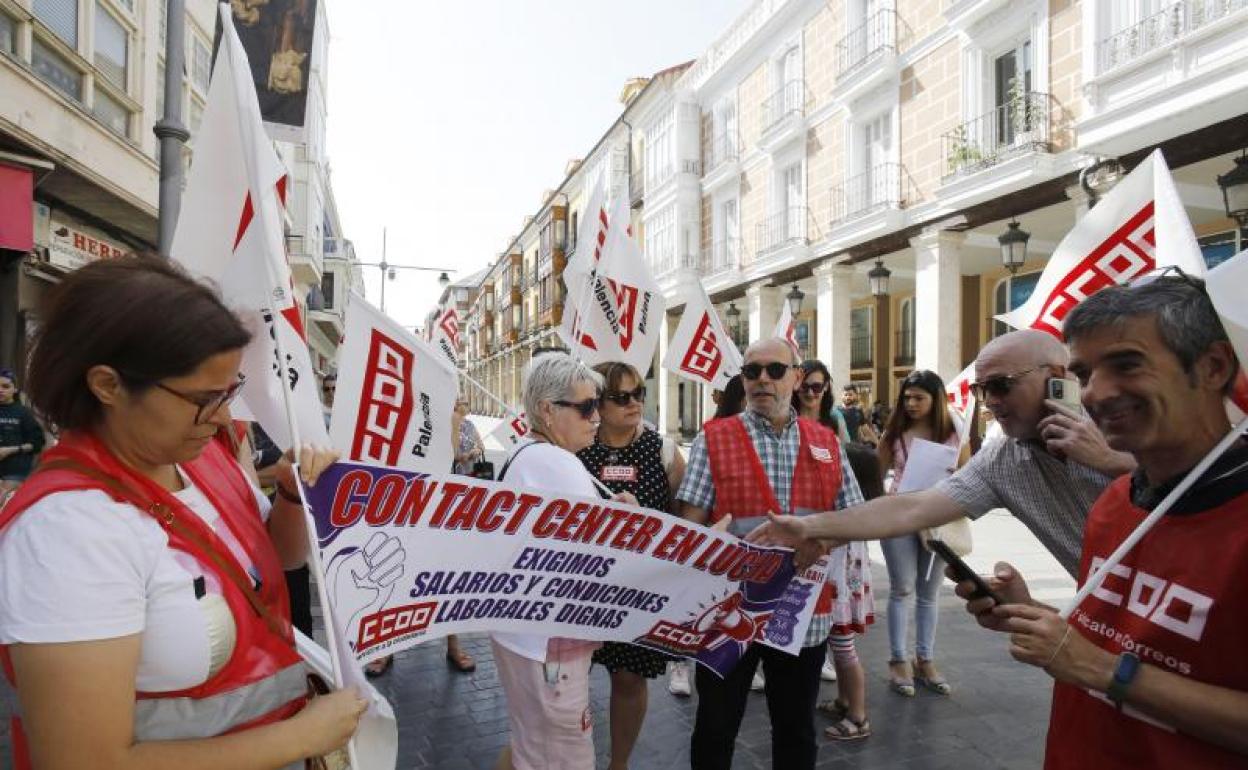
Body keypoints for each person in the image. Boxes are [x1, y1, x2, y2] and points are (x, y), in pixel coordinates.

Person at [0, 256, 363, 769]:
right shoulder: (67, 532)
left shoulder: (200, 455)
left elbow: (265, 563)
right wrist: (301, 738)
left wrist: (288, 496)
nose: (221, 417)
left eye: (228, 391)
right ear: (108, 385)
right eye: (202, 398)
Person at [952, 275, 1248, 768]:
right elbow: (1111, 646)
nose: (1096, 393)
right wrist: (1040, 619)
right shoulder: (1114, 504)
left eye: (1127, 365)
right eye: (1084, 373)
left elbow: (1101, 664)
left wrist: (1101, 667)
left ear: (1213, 366)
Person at [751, 328, 1136, 579]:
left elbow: (1194, 472)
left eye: (1002, 385)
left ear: (1057, 375)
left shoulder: (1125, 421)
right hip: (1109, 621)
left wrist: (1114, 461)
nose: (992, 402)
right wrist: (811, 526)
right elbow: (910, 508)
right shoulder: (1003, 460)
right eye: (983, 390)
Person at [677, 337, 871, 767]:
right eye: (752, 371)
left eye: (775, 370)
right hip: (730, 609)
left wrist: (818, 541)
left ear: (798, 378)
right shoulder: (714, 439)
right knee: (715, 725)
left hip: (803, 612)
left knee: (796, 728)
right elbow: (690, 523)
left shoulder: (827, 442)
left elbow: (856, 517)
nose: (762, 379)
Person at [491, 352, 635, 770]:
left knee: (529, 746)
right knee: (565, 757)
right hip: (548, 641)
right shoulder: (555, 462)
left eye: (598, 404)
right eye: (587, 406)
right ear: (547, 411)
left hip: (523, 633)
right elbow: (602, 554)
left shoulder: (526, 455)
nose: (597, 417)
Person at [575, 361, 685, 769]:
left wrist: (648, 525)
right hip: (581, 590)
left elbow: (684, 522)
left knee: (629, 677)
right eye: (621, 397)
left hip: (637, 589)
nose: (634, 403)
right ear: (597, 404)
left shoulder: (663, 450)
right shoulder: (574, 449)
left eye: (639, 393)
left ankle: (617, 764)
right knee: (568, 681)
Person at [876, 369, 970, 697]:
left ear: (936, 399)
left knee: (929, 592)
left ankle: (925, 660)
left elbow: (967, 474)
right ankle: (898, 660)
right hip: (900, 515)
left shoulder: (955, 429)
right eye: (907, 397)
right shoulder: (896, 430)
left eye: (919, 397)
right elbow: (878, 472)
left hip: (938, 518)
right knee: (902, 588)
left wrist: (951, 472)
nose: (911, 403)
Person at [0, 369, 44, 498]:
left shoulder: (23, 413)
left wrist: (10, 450)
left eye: (5, 386)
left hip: (15, 471)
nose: (1, 390)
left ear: (15, 389)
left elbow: (37, 443)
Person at [792, 360, 851, 443]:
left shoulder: (835, 418)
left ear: (826, 386)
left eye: (816, 387)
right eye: (804, 386)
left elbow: (845, 450)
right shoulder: (787, 419)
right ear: (796, 385)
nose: (810, 393)